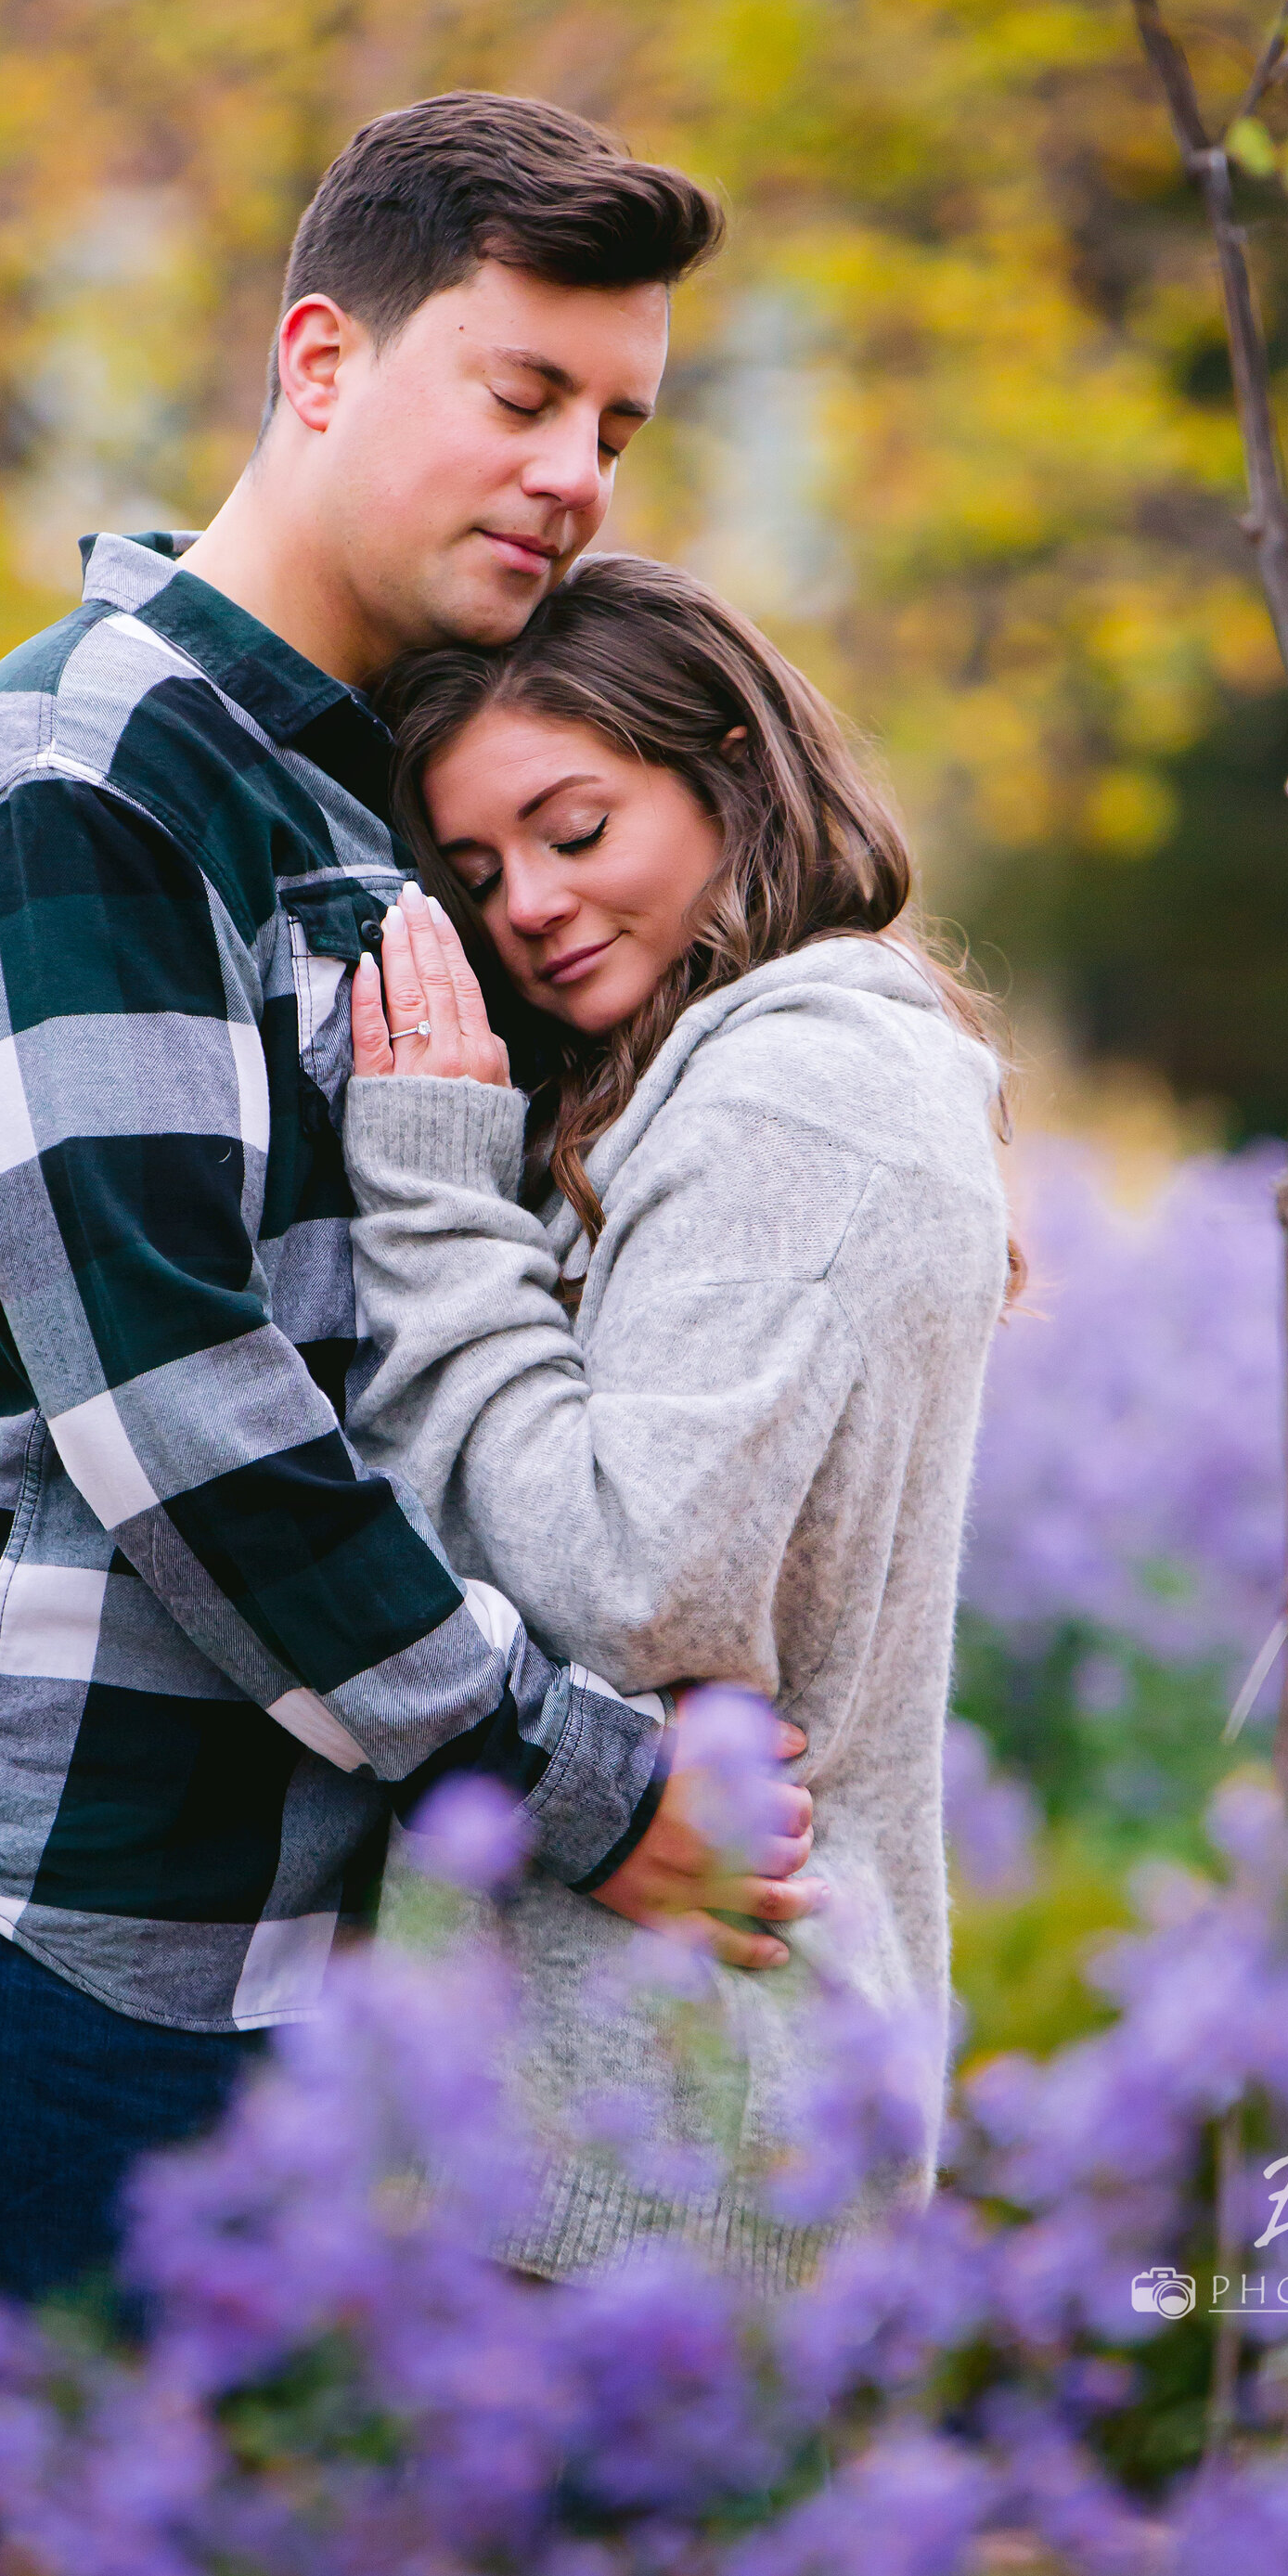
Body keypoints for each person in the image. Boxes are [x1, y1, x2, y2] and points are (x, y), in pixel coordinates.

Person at [0, 95, 817, 2307]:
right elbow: (181, 1407)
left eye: (615, 427)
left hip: (286, 1957)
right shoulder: (83, 788)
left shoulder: (351, 794)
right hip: (43, 1934)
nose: (572, 476)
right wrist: (590, 1792)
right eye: (519, 393)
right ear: (319, 361)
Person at [342, 552, 1016, 2284]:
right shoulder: (698, 1077)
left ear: (729, 768)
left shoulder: (800, 1089)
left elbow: (631, 1576)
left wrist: (427, 1200)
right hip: (636, 2092)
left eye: (577, 831)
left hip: (682, 2120)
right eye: (478, 871)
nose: (531, 906)